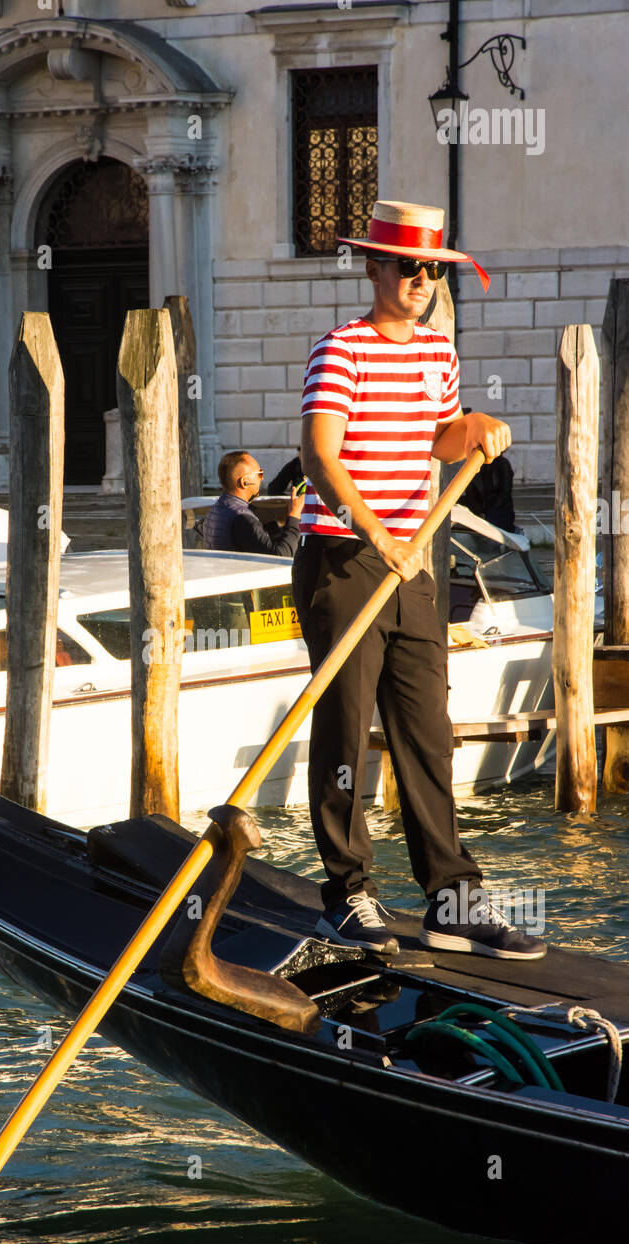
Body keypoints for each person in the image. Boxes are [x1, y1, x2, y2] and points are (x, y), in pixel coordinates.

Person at [293, 199, 545, 961]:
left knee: (427, 733)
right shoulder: (340, 351)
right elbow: (319, 457)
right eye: (409, 267)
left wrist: (475, 428)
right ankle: (347, 893)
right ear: (373, 267)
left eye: (433, 269)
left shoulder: (438, 352)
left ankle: (452, 898)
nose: (422, 280)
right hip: (344, 557)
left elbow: (438, 436)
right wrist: (375, 533)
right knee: (345, 727)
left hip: (415, 560)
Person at [203, 450, 304, 557]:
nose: (262, 478)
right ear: (244, 482)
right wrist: (294, 516)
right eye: (259, 474)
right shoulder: (242, 518)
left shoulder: (216, 508)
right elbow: (280, 556)